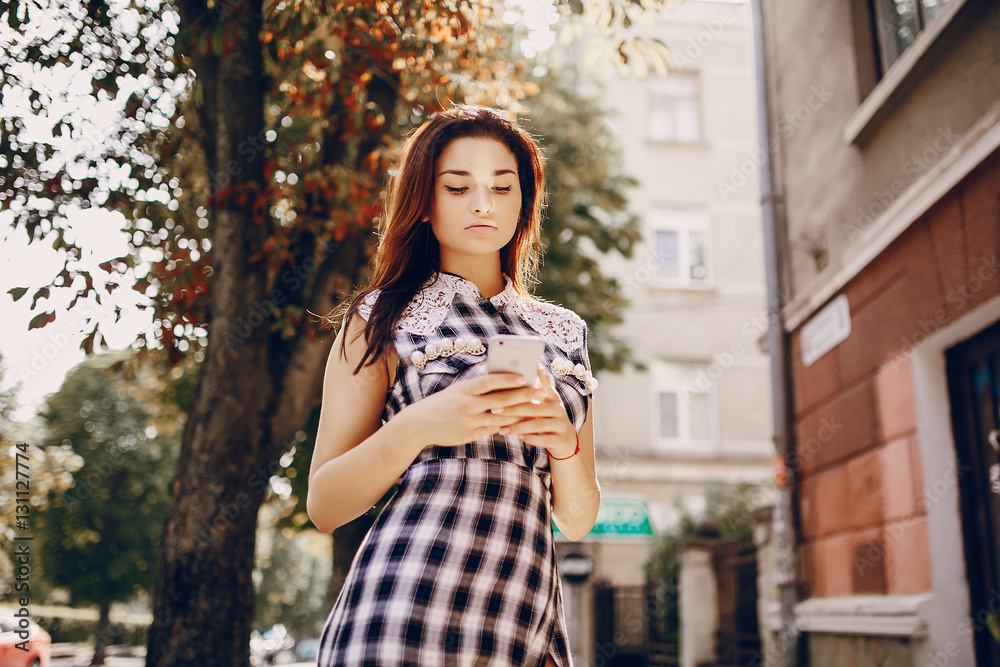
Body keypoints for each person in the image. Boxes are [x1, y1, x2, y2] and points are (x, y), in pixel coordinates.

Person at [307, 104, 601, 667]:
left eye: (501, 186)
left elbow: (577, 517)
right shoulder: (380, 318)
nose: (483, 204)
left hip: (522, 614)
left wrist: (563, 442)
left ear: (524, 202)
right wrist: (423, 424)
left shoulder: (564, 332)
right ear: (425, 200)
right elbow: (324, 504)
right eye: (458, 186)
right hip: (401, 611)